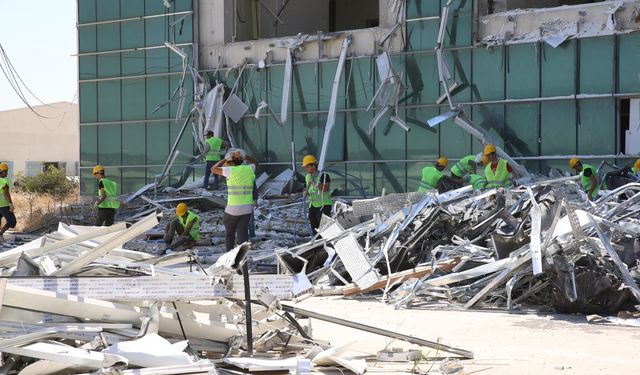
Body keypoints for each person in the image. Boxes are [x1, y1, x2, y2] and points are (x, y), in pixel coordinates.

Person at [212, 149, 257, 251]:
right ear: (242, 159)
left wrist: (224, 159)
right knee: (243, 238)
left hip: (232, 210)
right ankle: (243, 264)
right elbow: (256, 163)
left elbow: (213, 169)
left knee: (229, 235)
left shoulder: (230, 170)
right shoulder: (249, 169)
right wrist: (245, 156)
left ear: (231, 161)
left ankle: (230, 260)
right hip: (247, 209)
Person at [302, 155, 332, 235]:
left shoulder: (323, 176)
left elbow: (325, 189)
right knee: (314, 228)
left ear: (313, 165)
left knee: (323, 229)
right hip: (313, 205)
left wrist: (314, 183)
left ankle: (325, 244)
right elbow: (306, 188)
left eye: (307, 166)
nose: (305, 168)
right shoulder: (308, 176)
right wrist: (305, 192)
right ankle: (317, 244)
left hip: (324, 205)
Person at [0, 163, 17, 238]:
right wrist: (11, 204)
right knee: (12, 221)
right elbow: (6, 193)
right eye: (5, 171)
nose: (7, 172)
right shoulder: (4, 181)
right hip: (4, 205)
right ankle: (0, 233)